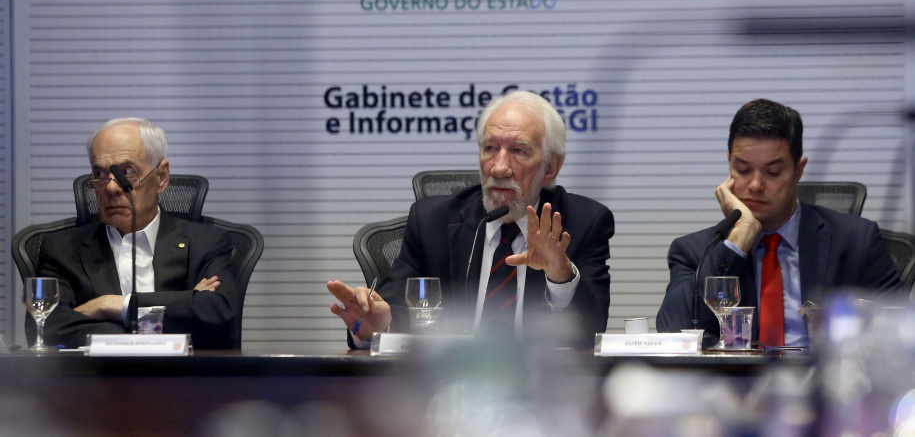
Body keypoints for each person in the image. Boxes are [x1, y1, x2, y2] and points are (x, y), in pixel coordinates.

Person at [328, 91, 614, 348]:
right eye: (490, 148)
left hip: (541, 387)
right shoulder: (432, 222)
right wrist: (375, 330)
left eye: (518, 150)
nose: (499, 168)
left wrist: (560, 275)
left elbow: (589, 332)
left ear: (550, 168)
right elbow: (393, 315)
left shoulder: (584, 222)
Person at [656, 99, 901, 347]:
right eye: (742, 169)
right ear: (729, 164)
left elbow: (900, 334)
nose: (755, 185)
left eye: (773, 172)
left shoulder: (855, 241)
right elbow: (674, 336)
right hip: (735, 383)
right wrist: (737, 242)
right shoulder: (696, 252)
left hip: (826, 380)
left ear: (798, 170)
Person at [30, 118, 239, 349]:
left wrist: (111, 305)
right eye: (99, 173)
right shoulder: (62, 250)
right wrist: (180, 309)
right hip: (95, 380)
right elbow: (44, 328)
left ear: (161, 177)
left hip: (182, 380)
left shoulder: (206, 243)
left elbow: (219, 314)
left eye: (126, 172)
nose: (110, 187)